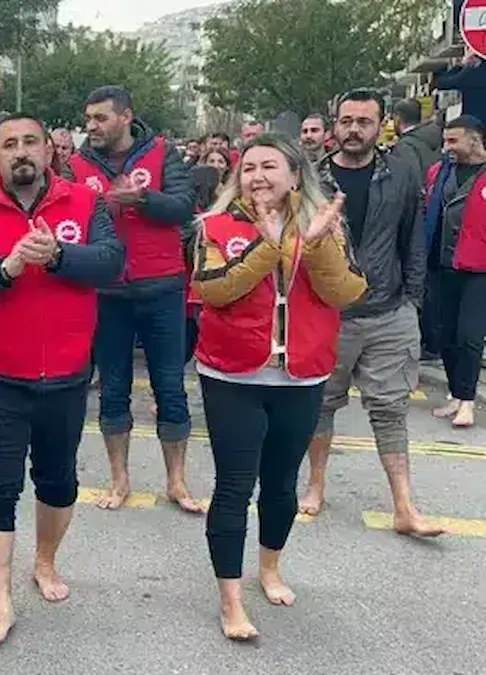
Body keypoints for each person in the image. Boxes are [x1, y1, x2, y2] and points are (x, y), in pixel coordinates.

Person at [0, 113, 125, 647]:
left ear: (48, 150)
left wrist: (59, 255)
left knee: (58, 481)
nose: (21, 151)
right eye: (9, 144)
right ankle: (0, 599)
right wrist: (6, 269)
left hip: (65, 375)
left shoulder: (85, 203)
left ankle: (45, 561)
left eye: (30, 142)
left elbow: (112, 262)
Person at [192, 133, 366, 640]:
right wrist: (270, 247)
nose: (258, 176)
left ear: (295, 175)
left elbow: (346, 292)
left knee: (282, 484)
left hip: (302, 375)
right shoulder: (214, 226)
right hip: (231, 375)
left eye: (269, 166)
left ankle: (269, 567)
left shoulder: (326, 226)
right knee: (233, 486)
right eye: (248, 168)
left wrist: (316, 246)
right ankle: (230, 597)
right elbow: (213, 290)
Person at [300, 90, 445, 537]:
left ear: (381, 126)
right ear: (334, 125)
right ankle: (316, 486)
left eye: (364, 122)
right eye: (346, 121)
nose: (354, 130)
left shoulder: (401, 172)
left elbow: (414, 239)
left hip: (389, 309)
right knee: (321, 405)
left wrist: (412, 303)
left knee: (390, 408)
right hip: (329, 312)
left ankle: (404, 506)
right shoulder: (313, 177)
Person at [70, 85, 200, 512]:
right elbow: (68, 218)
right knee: (112, 388)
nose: (92, 126)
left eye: (100, 118)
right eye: (89, 119)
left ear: (125, 117)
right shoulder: (76, 164)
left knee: (170, 387)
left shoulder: (162, 152)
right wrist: (97, 211)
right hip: (107, 292)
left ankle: (176, 481)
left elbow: (184, 206)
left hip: (162, 287)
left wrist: (142, 199)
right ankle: (119, 479)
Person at [425, 115, 486, 429]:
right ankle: (456, 393)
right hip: (441, 263)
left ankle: (467, 401)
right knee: (444, 334)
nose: (446, 147)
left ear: (474, 140)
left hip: (479, 267)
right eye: (445, 140)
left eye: (453, 141)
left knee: (469, 336)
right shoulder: (438, 172)